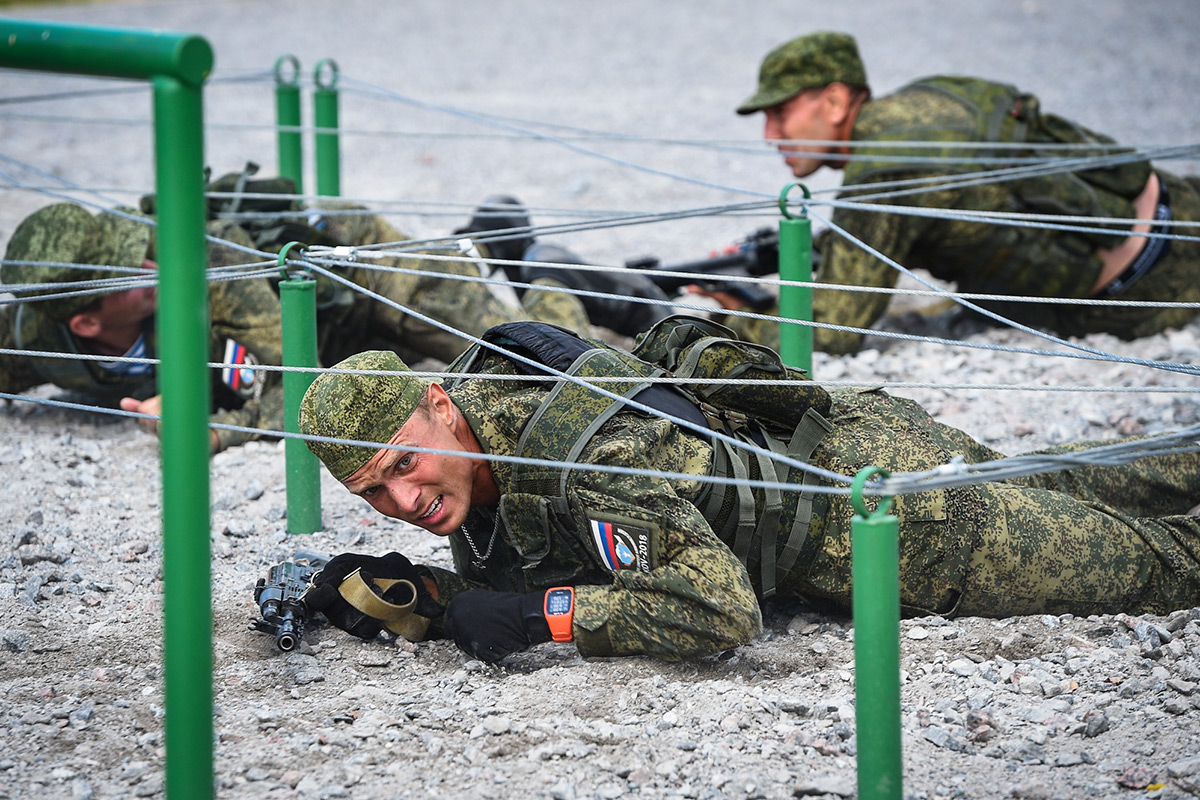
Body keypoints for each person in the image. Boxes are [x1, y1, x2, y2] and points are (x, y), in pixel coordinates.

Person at [295, 316, 1200, 663]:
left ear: (439, 406)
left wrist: (548, 619)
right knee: (1092, 474)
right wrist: (431, 596)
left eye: (404, 464)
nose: (405, 502)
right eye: (376, 494)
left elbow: (719, 613)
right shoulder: (494, 402)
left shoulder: (586, 456)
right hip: (852, 432)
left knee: (1169, 564)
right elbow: (537, 552)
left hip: (910, 528)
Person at [728, 31, 1200, 355]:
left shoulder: (879, 177)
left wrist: (735, 322)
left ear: (833, 102)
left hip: (1149, 292)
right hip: (1180, 201)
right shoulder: (934, 94)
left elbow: (831, 329)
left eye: (781, 113)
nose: (771, 135)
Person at [0, 202, 285, 454]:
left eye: (135, 251)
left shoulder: (210, 263)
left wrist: (213, 432)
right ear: (86, 324)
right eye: (125, 277)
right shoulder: (37, 334)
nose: (150, 268)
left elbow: (300, 383)